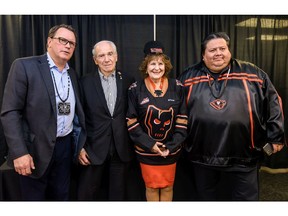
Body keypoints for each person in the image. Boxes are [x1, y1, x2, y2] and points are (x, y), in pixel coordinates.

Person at [178, 32, 285, 201]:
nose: (218, 53)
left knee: (245, 200)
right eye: (213, 50)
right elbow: (175, 109)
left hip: (244, 154)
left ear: (229, 51)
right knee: (207, 199)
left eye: (222, 48)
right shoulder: (188, 77)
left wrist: (276, 135)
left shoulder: (254, 73)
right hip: (201, 154)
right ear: (203, 55)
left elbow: (274, 102)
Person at [0, 24, 86, 200]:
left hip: (65, 148)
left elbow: (76, 116)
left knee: (61, 197)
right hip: (34, 149)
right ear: (49, 42)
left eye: (72, 43)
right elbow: (10, 112)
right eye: (63, 40)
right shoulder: (25, 66)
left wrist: (78, 145)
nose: (68, 45)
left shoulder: (72, 75)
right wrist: (19, 152)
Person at [126, 40, 188, 201]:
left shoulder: (177, 86)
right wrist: (150, 145)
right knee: (151, 187)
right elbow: (131, 121)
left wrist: (170, 146)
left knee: (168, 187)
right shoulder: (135, 89)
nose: (156, 68)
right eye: (152, 63)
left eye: (160, 63)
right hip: (146, 152)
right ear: (145, 66)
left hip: (170, 151)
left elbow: (182, 120)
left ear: (166, 66)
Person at [77, 40, 135, 201]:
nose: (106, 59)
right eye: (101, 56)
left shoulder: (129, 80)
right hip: (93, 149)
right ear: (95, 60)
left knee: (118, 197)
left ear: (116, 56)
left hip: (121, 149)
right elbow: (77, 117)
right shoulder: (84, 82)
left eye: (110, 54)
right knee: (86, 196)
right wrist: (80, 147)